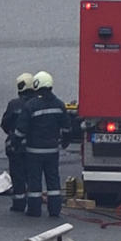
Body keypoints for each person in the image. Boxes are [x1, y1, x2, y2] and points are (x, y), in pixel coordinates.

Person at [14, 71, 71, 217]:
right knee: (53, 182)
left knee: (35, 182)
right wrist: (64, 142)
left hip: (34, 151)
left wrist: (16, 143)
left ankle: (34, 210)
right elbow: (67, 128)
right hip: (52, 151)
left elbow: (21, 129)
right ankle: (54, 210)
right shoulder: (59, 105)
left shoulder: (31, 106)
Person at [0, 73, 35, 212]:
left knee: (17, 176)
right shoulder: (37, 103)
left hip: (16, 147)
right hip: (33, 147)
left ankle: (19, 204)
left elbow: (5, 124)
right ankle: (33, 203)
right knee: (33, 175)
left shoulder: (13, 104)